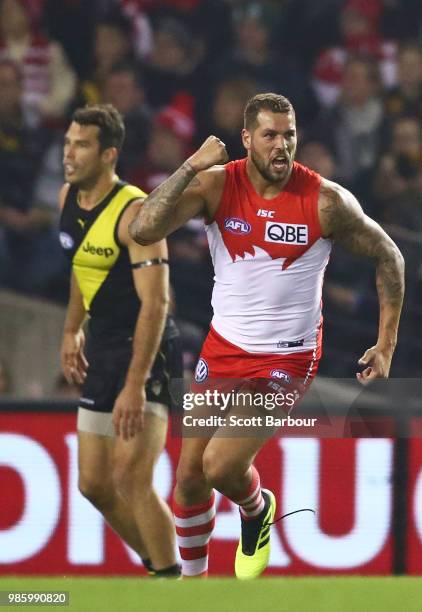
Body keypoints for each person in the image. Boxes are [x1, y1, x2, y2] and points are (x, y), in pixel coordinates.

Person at [129, 93, 405, 580]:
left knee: (218, 466)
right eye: (271, 135)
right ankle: (189, 598)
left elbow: (391, 258)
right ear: (246, 140)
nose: (283, 146)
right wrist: (192, 166)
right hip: (223, 348)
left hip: (285, 360)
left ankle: (256, 509)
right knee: (189, 480)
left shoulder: (326, 201)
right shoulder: (216, 186)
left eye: (290, 134)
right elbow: (144, 229)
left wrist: (385, 345)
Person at [59, 104, 181, 577]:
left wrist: (135, 384)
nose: (69, 153)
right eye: (68, 142)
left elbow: (157, 304)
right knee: (93, 484)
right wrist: (72, 329)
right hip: (105, 346)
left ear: (108, 154)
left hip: (147, 349)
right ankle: (160, 569)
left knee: (132, 477)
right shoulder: (66, 196)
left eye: (81, 144)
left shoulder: (137, 213)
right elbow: (80, 267)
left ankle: (180, 592)